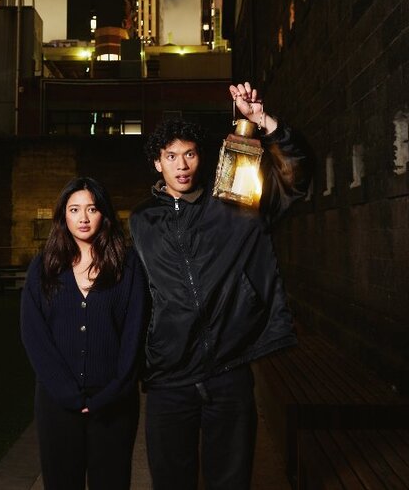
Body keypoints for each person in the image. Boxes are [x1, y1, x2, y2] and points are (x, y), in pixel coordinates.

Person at [129, 82, 313, 490]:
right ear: (157, 163)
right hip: (169, 379)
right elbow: (136, 295)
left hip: (228, 371)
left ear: (201, 158)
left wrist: (262, 122)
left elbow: (296, 180)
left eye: (189, 154)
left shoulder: (233, 202)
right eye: (171, 156)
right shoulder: (141, 222)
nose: (182, 165)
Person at [20, 176, 147, 490]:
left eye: (92, 209)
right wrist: (67, 394)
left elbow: (134, 335)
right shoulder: (44, 267)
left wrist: (111, 393)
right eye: (74, 209)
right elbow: (34, 336)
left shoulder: (127, 266)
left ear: (104, 213)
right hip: (57, 404)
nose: (83, 218)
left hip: (114, 404)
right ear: (63, 215)